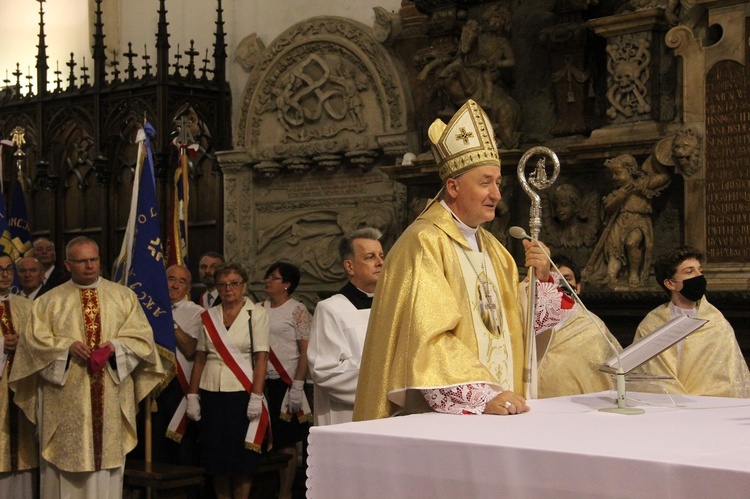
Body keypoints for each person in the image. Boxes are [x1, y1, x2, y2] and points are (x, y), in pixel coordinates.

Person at [353, 99, 572, 421]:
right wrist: (484, 396)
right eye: (485, 182)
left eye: (497, 182)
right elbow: (425, 337)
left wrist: (540, 280)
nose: (496, 194)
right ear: (453, 187)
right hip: (451, 416)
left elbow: (514, 330)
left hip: (503, 406)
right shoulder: (424, 243)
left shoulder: (496, 251)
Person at [8, 236, 164, 498]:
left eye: (94, 260)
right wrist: (65, 347)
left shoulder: (122, 296)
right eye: (82, 261)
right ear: (68, 265)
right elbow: (32, 345)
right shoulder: (49, 301)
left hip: (111, 398)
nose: (89, 266)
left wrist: (115, 346)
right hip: (66, 400)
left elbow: (142, 338)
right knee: (64, 469)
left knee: (106, 469)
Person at [186, 263, 270, 499]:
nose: (228, 289)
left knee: (241, 456)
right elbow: (200, 357)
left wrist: (256, 395)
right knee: (216, 455)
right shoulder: (209, 316)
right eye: (222, 284)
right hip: (211, 390)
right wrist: (192, 395)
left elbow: (262, 357)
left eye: (234, 283)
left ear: (244, 286)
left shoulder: (257, 314)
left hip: (242, 392)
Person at [633, 246, 750, 397]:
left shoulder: (716, 321)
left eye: (700, 270)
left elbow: (731, 377)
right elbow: (645, 377)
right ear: (670, 284)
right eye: (689, 271)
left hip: (711, 407)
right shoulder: (651, 324)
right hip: (666, 408)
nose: (699, 276)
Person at [308, 228, 384, 426]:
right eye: (370, 257)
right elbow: (325, 371)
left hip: (386, 417)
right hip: (346, 418)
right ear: (349, 267)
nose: (380, 262)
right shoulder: (330, 309)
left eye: (381, 255)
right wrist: (384, 376)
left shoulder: (391, 308)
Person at [260, 262, 312, 499]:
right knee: (263, 439)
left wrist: (298, 385)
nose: (267, 281)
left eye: (274, 277)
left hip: (287, 382)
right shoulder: (258, 308)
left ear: (287, 284)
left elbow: (306, 351)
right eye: (268, 276)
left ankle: (285, 492)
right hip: (262, 381)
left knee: (286, 440)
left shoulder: (297, 310)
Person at [537, 255, 622, 398]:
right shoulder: (533, 321)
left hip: (583, 405)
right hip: (541, 401)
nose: (562, 284)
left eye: (568, 278)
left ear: (578, 287)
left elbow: (608, 375)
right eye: (555, 279)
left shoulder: (593, 325)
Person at [148, 265, 203, 465]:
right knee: (153, 443)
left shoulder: (196, 312)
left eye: (182, 281)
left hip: (178, 385)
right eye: (171, 279)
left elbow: (190, 349)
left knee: (180, 446)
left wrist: (167, 321)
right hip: (151, 381)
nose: (175, 285)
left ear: (188, 288)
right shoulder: (148, 308)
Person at [0, 253, 37, 497]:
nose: (4, 274)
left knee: (23, 455)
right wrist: (2, 345)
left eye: (8, 269)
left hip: (24, 389)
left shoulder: (28, 306)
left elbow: (40, 342)